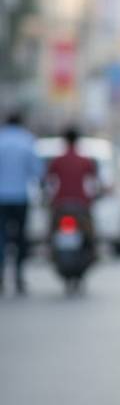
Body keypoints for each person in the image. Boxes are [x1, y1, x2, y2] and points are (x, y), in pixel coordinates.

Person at [0, 111, 42, 294]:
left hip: (1, 198)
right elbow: (37, 171)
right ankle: (18, 277)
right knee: (20, 238)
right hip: (20, 197)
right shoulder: (27, 141)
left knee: (1, 238)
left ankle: (1, 277)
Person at [44, 127, 100, 250]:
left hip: (60, 202)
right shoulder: (85, 161)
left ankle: (49, 249)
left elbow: (48, 181)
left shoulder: (57, 160)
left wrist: (49, 198)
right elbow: (93, 183)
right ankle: (93, 249)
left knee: (51, 231)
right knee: (90, 233)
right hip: (81, 202)